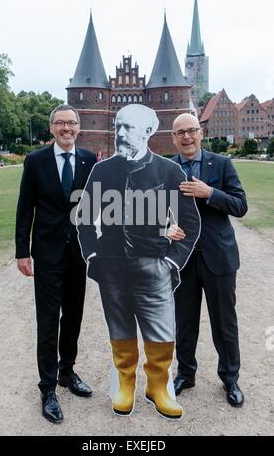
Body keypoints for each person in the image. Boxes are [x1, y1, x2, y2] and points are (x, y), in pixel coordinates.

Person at [77, 104, 200, 419]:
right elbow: (86, 218)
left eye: (126, 128)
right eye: (117, 127)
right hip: (111, 266)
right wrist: (93, 254)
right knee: (119, 328)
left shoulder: (169, 171)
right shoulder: (103, 171)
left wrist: (172, 262)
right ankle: (126, 384)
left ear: (147, 131)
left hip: (155, 266)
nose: (119, 133)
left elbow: (190, 222)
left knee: (161, 331)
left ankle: (158, 387)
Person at [15, 104, 97, 423]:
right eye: (60, 123)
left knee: (73, 317)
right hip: (47, 254)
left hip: (79, 253)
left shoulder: (89, 160)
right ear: (51, 129)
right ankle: (48, 388)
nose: (66, 128)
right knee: (48, 322)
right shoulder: (36, 161)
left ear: (79, 128)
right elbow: (25, 209)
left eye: (71, 123)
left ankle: (67, 372)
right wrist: (23, 251)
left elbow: (97, 205)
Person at [170, 113, 247, 407]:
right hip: (183, 260)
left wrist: (210, 192)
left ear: (201, 133)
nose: (187, 137)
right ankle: (185, 373)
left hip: (219, 258)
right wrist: (165, 227)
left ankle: (230, 379)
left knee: (224, 323)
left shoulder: (223, 164)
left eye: (191, 131)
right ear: (174, 138)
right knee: (184, 322)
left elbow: (240, 205)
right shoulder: (167, 168)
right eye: (181, 133)